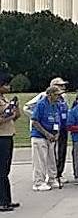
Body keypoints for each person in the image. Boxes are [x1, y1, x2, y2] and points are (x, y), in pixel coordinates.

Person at [30, 86, 62, 191]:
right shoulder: (41, 104)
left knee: (52, 159)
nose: (59, 96)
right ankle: (38, 182)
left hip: (51, 136)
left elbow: (57, 120)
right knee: (40, 160)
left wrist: (56, 133)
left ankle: (52, 178)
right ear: (49, 94)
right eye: (56, 94)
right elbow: (35, 121)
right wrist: (46, 133)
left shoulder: (56, 105)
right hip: (40, 136)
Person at [0, 75, 21, 210]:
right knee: (1, 171)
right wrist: (10, 115)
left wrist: (16, 109)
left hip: (8, 135)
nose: (8, 87)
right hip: (1, 137)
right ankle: (2, 201)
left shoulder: (5, 99)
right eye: (5, 85)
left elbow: (15, 117)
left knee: (6, 170)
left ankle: (7, 199)